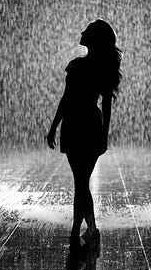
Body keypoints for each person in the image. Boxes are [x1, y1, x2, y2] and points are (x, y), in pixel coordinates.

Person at [46, 18, 122, 250]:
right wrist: (104, 134)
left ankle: (77, 230)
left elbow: (67, 100)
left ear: (95, 39)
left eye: (87, 31)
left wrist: (54, 126)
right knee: (81, 181)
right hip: (88, 124)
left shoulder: (78, 66)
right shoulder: (99, 68)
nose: (81, 32)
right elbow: (103, 104)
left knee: (80, 182)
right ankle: (91, 228)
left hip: (77, 125)